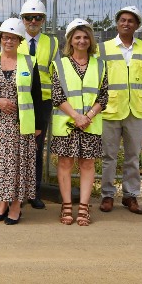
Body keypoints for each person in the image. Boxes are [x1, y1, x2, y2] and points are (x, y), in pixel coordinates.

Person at [0, 18, 48, 225]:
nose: (9, 41)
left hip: (21, 124)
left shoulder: (29, 62)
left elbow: (37, 95)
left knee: (19, 166)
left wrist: (39, 126)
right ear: (0, 39)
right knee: (0, 166)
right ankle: (3, 203)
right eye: (6, 37)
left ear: (19, 41)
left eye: (14, 38)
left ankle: (16, 205)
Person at [98, 5, 142, 215]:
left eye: (130, 21)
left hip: (136, 110)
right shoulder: (103, 48)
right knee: (109, 156)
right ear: (117, 23)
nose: (126, 23)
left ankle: (130, 196)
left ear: (137, 25)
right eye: (122, 20)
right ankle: (107, 195)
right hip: (111, 109)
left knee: (133, 156)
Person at [52, 19, 108, 226]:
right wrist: (77, 117)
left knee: (87, 163)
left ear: (90, 40)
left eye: (85, 37)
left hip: (90, 124)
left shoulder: (100, 64)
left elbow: (104, 96)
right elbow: (57, 96)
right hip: (67, 125)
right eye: (77, 37)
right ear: (70, 41)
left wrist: (88, 116)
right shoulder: (59, 65)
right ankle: (67, 205)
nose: (82, 41)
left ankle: (83, 207)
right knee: (65, 163)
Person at [18, 0, 59, 210]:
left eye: (37, 17)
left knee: (36, 146)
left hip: (42, 101)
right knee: (17, 146)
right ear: (22, 20)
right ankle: (16, 193)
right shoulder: (15, 39)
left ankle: (33, 192)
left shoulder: (52, 43)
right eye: (28, 17)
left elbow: (57, 72)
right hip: (19, 99)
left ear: (43, 20)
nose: (33, 21)